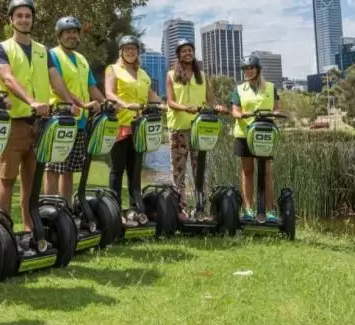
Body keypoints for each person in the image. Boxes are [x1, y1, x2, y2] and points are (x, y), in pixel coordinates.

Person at [0, 0, 52, 234]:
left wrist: (75, 102)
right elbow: (7, 78)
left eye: (28, 16)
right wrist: (31, 101)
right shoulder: (1, 48)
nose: (24, 20)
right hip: (14, 123)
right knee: (7, 178)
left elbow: (54, 77)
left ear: (33, 20)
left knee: (32, 180)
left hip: (40, 124)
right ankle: (1, 231)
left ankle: (30, 228)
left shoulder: (42, 51)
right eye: (20, 16)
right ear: (11, 20)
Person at [45, 16, 106, 199]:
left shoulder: (81, 59)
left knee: (69, 169)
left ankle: (66, 209)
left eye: (74, 32)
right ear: (59, 35)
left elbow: (91, 87)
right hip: (60, 117)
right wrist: (81, 103)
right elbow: (58, 84)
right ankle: (50, 209)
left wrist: (106, 104)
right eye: (68, 32)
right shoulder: (53, 55)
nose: (72, 36)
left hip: (79, 121)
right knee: (54, 167)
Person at [103, 35, 162, 223]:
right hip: (120, 126)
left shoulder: (143, 74)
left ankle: (135, 209)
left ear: (138, 52)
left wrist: (164, 105)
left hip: (139, 129)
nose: (130, 51)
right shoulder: (113, 69)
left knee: (135, 171)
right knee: (117, 170)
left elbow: (151, 96)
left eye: (133, 49)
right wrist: (126, 104)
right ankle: (114, 210)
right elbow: (110, 93)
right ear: (121, 51)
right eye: (126, 48)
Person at [164, 39, 223, 220]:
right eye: (184, 51)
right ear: (179, 54)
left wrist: (217, 107)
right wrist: (184, 107)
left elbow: (210, 99)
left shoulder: (202, 76)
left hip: (200, 128)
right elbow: (170, 101)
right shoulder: (171, 75)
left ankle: (200, 207)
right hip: (179, 128)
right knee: (179, 170)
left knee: (199, 169)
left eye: (190, 50)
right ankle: (180, 208)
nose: (187, 53)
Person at [231, 53, 282, 223]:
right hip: (244, 134)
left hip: (264, 133)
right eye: (246, 69)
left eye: (251, 68)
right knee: (247, 171)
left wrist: (275, 114)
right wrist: (241, 114)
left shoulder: (270, 87)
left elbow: (276, 109)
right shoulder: (239, 89)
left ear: (258, 69)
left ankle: (270, 210)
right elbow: (234, 110)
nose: (249, 71)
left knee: (266, 172)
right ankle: (248, 209)